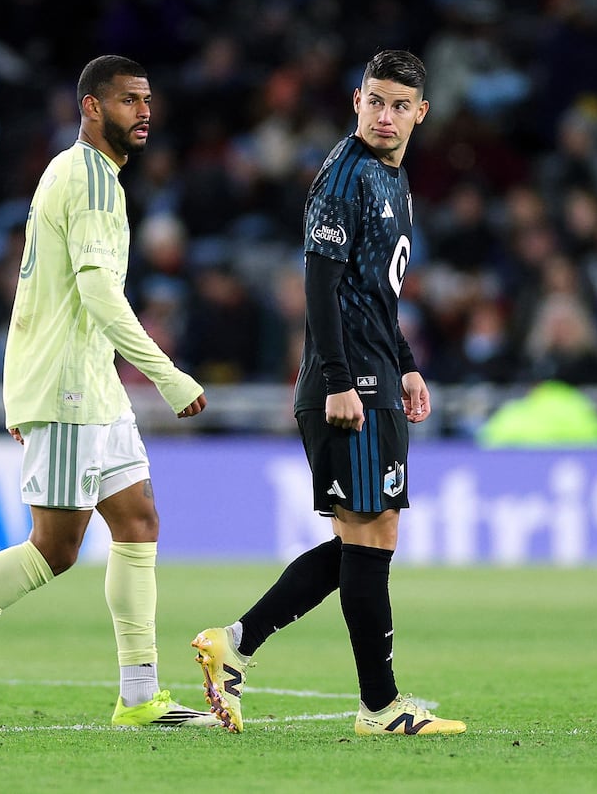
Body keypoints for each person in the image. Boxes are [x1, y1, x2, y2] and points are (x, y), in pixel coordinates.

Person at [0, 55, 217, 729]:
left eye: (148, 99)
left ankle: (140, 692)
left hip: (90, 386)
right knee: (57, 547)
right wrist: (167, 374)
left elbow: (42, 294)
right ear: (91, 107)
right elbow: (95, 292)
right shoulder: (87, 177)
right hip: (67, 389)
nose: (144, 112)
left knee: (139, 521)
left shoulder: (89, 176)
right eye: (127, 101)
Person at [191, 50, 465, 737]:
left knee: (368, 539)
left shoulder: (393, 180)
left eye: (400, 105)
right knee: (367, 537)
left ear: (420, 113)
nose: (386, 114)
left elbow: (374, 293)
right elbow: (318, 283)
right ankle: (379, 705)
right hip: (349, 386)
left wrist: (404, 361)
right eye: (376, 100)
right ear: (356, 101)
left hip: (375, 374)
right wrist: (343, 379)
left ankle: (238, 644)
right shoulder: (345, 177)